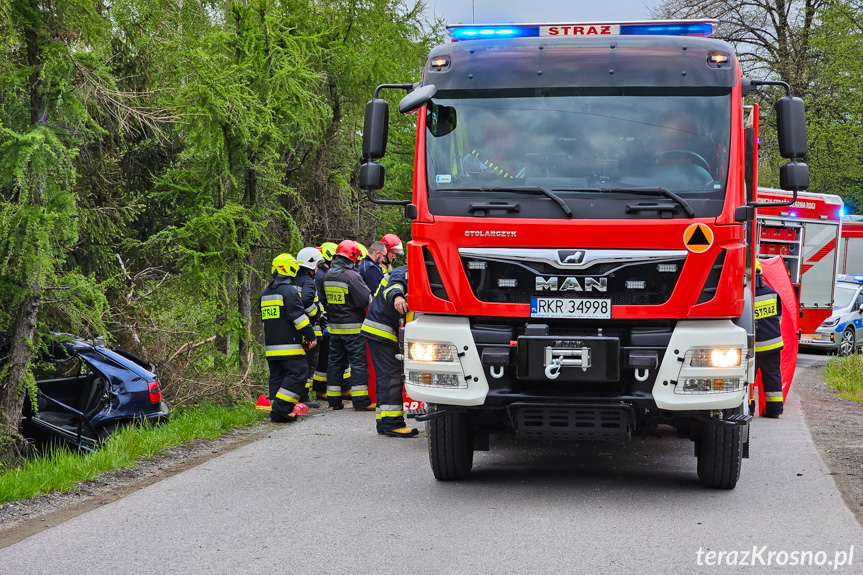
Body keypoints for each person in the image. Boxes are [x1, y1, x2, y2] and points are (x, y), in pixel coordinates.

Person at [361, 265, 418, 437]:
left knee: (386, 376)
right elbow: (394, 286)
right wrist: (398, 297)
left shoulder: (407, 270)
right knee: (391, 375)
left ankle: (383, 422)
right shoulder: (404, 271)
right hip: (381, 329)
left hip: (380, 329)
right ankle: (393, 423)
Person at [260, 254, 317, 422]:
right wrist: (310, 335)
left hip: (271, 347)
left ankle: (276, 412)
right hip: (289, 346)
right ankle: (281, 408)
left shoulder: (265, 293)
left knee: (277, 377)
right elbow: (298, 318)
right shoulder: (289, 291)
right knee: (298, 374)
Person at [323, 240, 374, 411]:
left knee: (335, 363)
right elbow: (364, 300)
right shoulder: (351, 276)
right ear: (352, 256)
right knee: (358, 363)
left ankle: (334, 400)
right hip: (353, 328)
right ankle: (360, 401)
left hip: (334, 328)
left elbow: (324, 300)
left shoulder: (328, 275)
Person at [295, 246, 325, 407]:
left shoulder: (293, 278)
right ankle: (304, 397)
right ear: (311, 265)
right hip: (308, 327)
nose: (318, 267)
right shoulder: (307, 281)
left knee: (301, 363)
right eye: (316, 264)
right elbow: (306, 301)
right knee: (309, 363)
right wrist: (317, 314)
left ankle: (299, 395)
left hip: (296, 328)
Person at [754, 260, 784, 418]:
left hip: (754, 346)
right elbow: (779, 318)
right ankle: (774, 410)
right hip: (774, 342)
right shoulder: (773, 292)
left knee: (747, 379)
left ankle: (748, 409)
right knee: (772, 375)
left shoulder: (744, 294)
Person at [312, 242, 338, 399]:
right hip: (322, 322)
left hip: (325, 320)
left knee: (324, 356)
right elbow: (321, 300)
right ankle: (320, 389)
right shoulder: (321, 275)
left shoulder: (323, 273)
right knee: (321, 357)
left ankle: (321, 388)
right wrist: (324, 321)